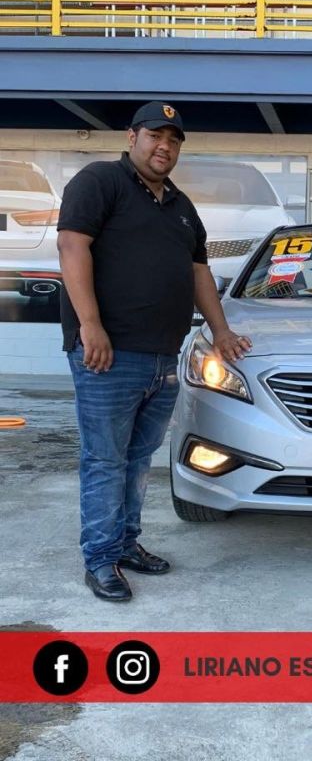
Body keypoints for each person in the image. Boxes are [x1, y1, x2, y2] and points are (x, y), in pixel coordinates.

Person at [57, 101, 252, 602]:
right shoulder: (100, 181)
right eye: (155, 135)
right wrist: (91, 325)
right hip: (109, 355)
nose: (164, 146)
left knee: (138, 458)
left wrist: (221, 331)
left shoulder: (181, 206)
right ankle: (101, 559)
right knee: (106, 460)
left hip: (164, 356)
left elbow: (198, 271)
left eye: (173, 139)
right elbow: (72, 247)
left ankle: (125, 543)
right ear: (132, 137)